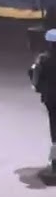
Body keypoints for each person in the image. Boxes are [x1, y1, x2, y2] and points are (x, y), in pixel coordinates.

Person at [29, 29, 56, 164]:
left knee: (53, 123)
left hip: (50, 97)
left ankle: (55, 155)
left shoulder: (43, 59)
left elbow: (35, 76)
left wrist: (37, 87)